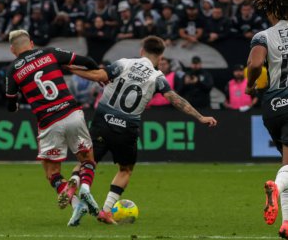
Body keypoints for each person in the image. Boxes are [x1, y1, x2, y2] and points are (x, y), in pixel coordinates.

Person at [67, 36, 217, 224]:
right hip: (127, 129)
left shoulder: (124, 63)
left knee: (86, 161)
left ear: (141, 51)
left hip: (102, 121)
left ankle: (74, 181)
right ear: (161, 55)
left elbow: (98, 76)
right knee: (125, 170)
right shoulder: (157, 77)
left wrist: (70, 68)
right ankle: (106, 211)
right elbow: (174, 99)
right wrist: (200, 117)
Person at [5, 30, 100, 226]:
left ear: (12, 50)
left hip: (48, 122)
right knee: (87, 159)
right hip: (72, 113)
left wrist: (15, 104)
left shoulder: (13, 69)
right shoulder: (49, 53)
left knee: (52, 173)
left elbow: (11, 105)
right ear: (31, 43)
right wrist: (97, 73)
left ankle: (76, 204)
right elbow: (87, 60)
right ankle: (85, 189)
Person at [246, 0, 288, 240]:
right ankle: (276, 187)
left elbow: (255, 63)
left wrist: (250, 84)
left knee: (287, 165)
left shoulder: (263, 35)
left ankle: (286, 224)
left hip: (274, 105)